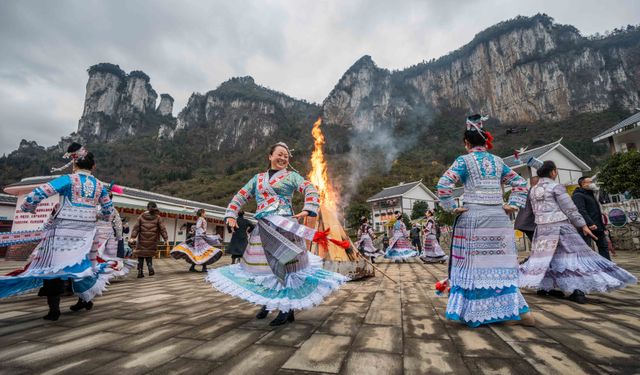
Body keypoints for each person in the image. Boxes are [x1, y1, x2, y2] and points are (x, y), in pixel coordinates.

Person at [206, 142, 348, 326]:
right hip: (263, 227)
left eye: (286, 157)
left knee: (287, 266)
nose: (283, 158)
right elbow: (240, 196)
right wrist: (231, 215)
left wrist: (308, 208)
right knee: (262, 268)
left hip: (285, 226)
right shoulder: (257, 179)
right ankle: (267, 302)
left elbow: (310, 189)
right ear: (270, 156)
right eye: (280, 154)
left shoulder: (292, 176)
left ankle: (286, 308)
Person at [0, 143, 118, 320]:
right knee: (82, 267)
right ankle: (85, 300)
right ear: (93, 166)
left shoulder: (67, 180)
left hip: (62, 231)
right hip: (86, 233)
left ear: (74, 164)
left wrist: (28, 207)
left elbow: (38, 193)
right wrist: (97, 215)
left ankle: (54, 310)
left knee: (53, 266)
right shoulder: (100, 186)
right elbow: (108, 210)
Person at [436, 114, 533, 327]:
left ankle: (472, 312)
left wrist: (453, 207)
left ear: (466, 143)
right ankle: (513, 309)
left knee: (471, 266)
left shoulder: (463, 161)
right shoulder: (498, 162)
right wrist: (513, 204)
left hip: (473, 218)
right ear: (486, 142)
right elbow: (520, 183)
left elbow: (443, 186)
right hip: (498, 218)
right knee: (498, 263)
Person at [519, 159, 636, 303]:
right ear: (553, 172)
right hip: (560, 228)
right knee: (572, 257)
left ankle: (545, 287)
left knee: (547, 259)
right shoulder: (556, 187)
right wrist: (582, 225)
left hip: (542, 230)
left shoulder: (533, 190)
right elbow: (570, 209)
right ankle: (576, 290)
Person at [572, 177, 610, 260]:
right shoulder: (578, 195)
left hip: (598, 226)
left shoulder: (591, 194)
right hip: (586, 227)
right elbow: (581, 211)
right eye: (590, 182)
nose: (592, 183)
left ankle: (608, 266)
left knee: (603, 247)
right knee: (585, 249)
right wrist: (590, 223)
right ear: (583, 184)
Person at [130, 201, 168, 278]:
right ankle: (150, 267)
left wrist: (133, 237)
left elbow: (136, 228)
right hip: (152, 240)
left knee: (140, 255)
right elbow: (162, 229)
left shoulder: (141, 216)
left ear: (147, 208)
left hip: (141, 240)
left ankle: (140, 272)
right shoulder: (158, 217)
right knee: (149, 254)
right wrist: (166, 239)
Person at [514, 176, 539, 243]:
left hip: (523, 222)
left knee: (535, 243)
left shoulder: (527, 192)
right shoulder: (535, 192)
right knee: (537, 243)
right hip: (529, 223)